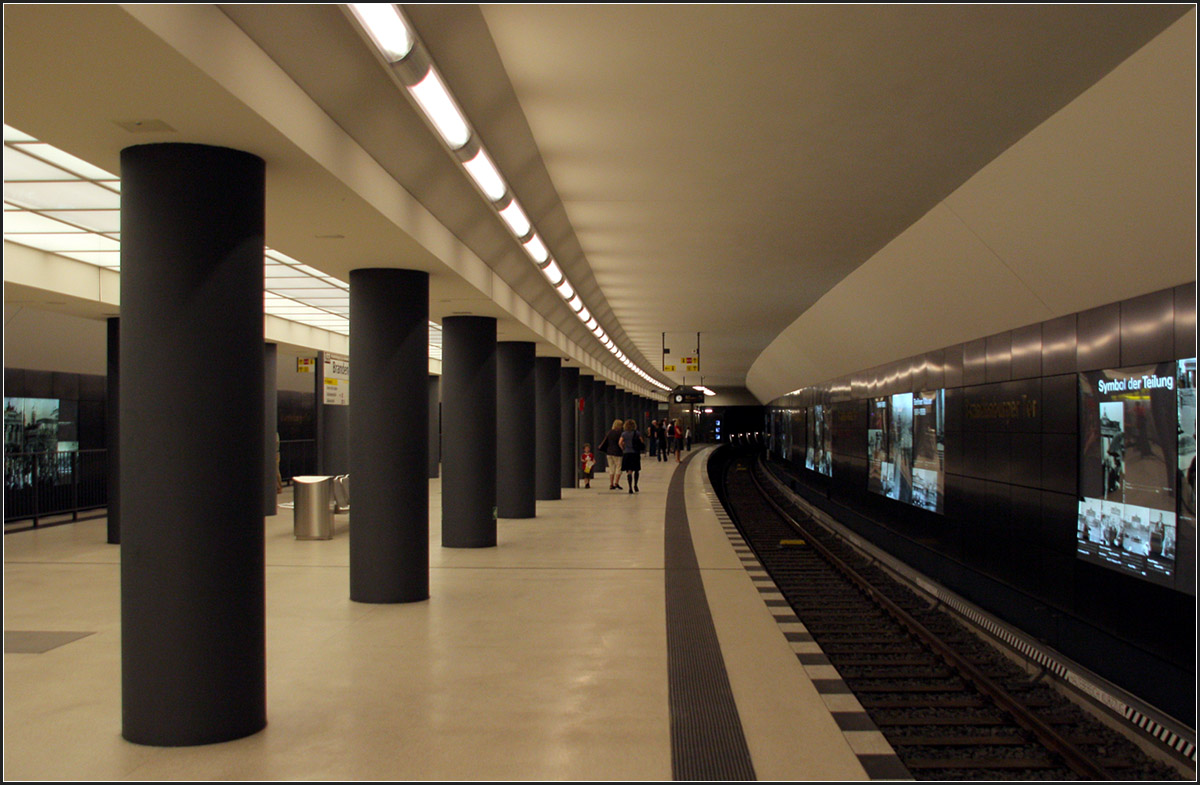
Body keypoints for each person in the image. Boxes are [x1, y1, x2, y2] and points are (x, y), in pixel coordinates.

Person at [597, 418, 625, 490]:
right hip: (618, 452)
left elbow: (606, 441)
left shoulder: (609, 432)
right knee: (619, 467)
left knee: (611, 468)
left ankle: (611, 483)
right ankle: (616, 483)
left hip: (609, 452)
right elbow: (621, 443)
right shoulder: (620, 433)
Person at [618, 418, 642, 493]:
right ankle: (635, 485)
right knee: (636, 470)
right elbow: (641, 442)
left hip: (627, 453)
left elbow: (620, 442)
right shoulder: (637, 433)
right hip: (635, 453)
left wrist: (623, 448)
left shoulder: (624, 434)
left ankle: (630, 487)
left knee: (629, 471)